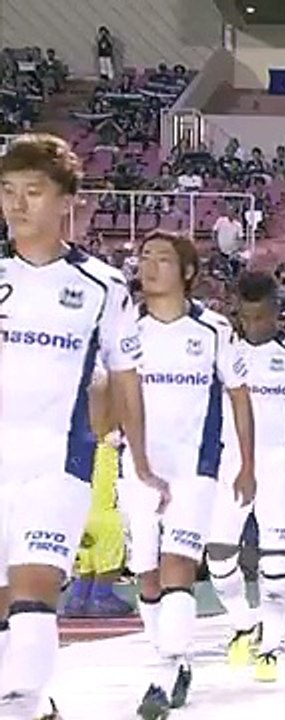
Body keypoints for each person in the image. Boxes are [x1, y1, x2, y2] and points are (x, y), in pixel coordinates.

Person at [0, 133, 149, 719]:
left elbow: (125, 376)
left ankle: (25, 705)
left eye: (32, 192)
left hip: (56, 462)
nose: (17, 204)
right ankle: (32, 705)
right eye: (8, 191)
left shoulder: (103, 286)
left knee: (34, 594)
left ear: (67, 201)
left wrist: (140, 458)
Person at [119, 230, 256, 719]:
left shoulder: (215, 329)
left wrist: (248, 465)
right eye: (144, 258)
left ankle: (164, 672)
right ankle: (172, 660)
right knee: (146, 572)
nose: (149, 265)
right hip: (137, 467)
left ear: (188, 272)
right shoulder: (123, 327)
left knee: (179, 562)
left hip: (196, 468)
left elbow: (239, 394)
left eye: (161, 258)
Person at [205, 271, 285, 682]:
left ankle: (272, 647)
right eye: (246, 317)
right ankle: (245, 622)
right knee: (218, 556)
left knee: (276, 563)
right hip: (230, 462)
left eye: (261, 317)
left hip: (282, 463)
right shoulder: (223, 349)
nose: (254, 325)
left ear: (276, 312)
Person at [64, 367, 134, 618]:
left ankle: (78, 597)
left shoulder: (84, 446)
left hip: (83, 515)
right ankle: (101, 596)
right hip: (107, 518)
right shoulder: (114, 445)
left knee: (87, 559)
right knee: (110, 553)